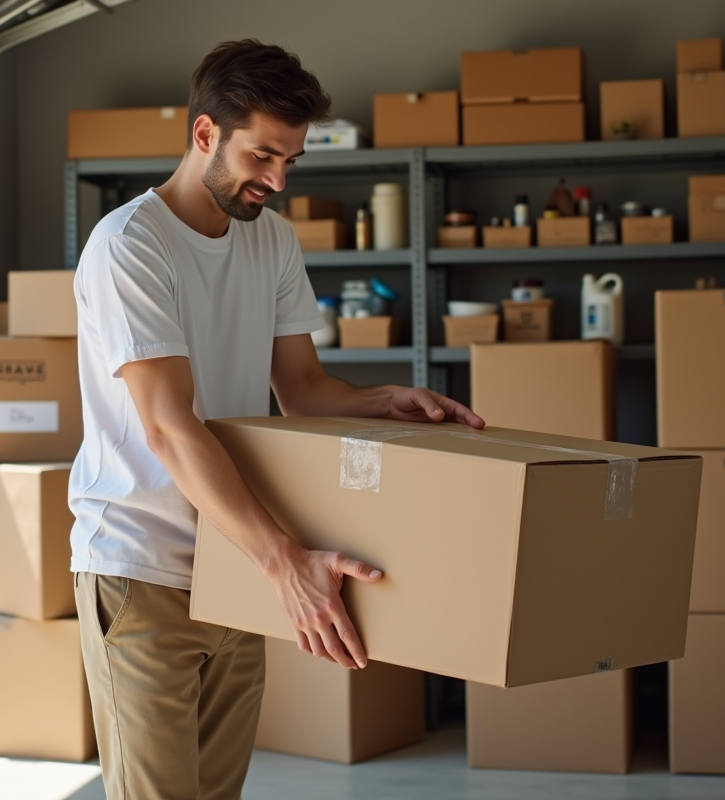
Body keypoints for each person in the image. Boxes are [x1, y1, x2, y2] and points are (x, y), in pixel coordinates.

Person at [69, 39, 484, 800]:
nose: (277, 180)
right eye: (263, 156)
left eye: (290, 162)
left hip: (234, 558)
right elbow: (168, 426)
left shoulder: (273, 240)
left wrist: (386, 401)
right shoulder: (131, 246)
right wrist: (283, 562)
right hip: (142, 567)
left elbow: (303, 388)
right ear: (204, 135)